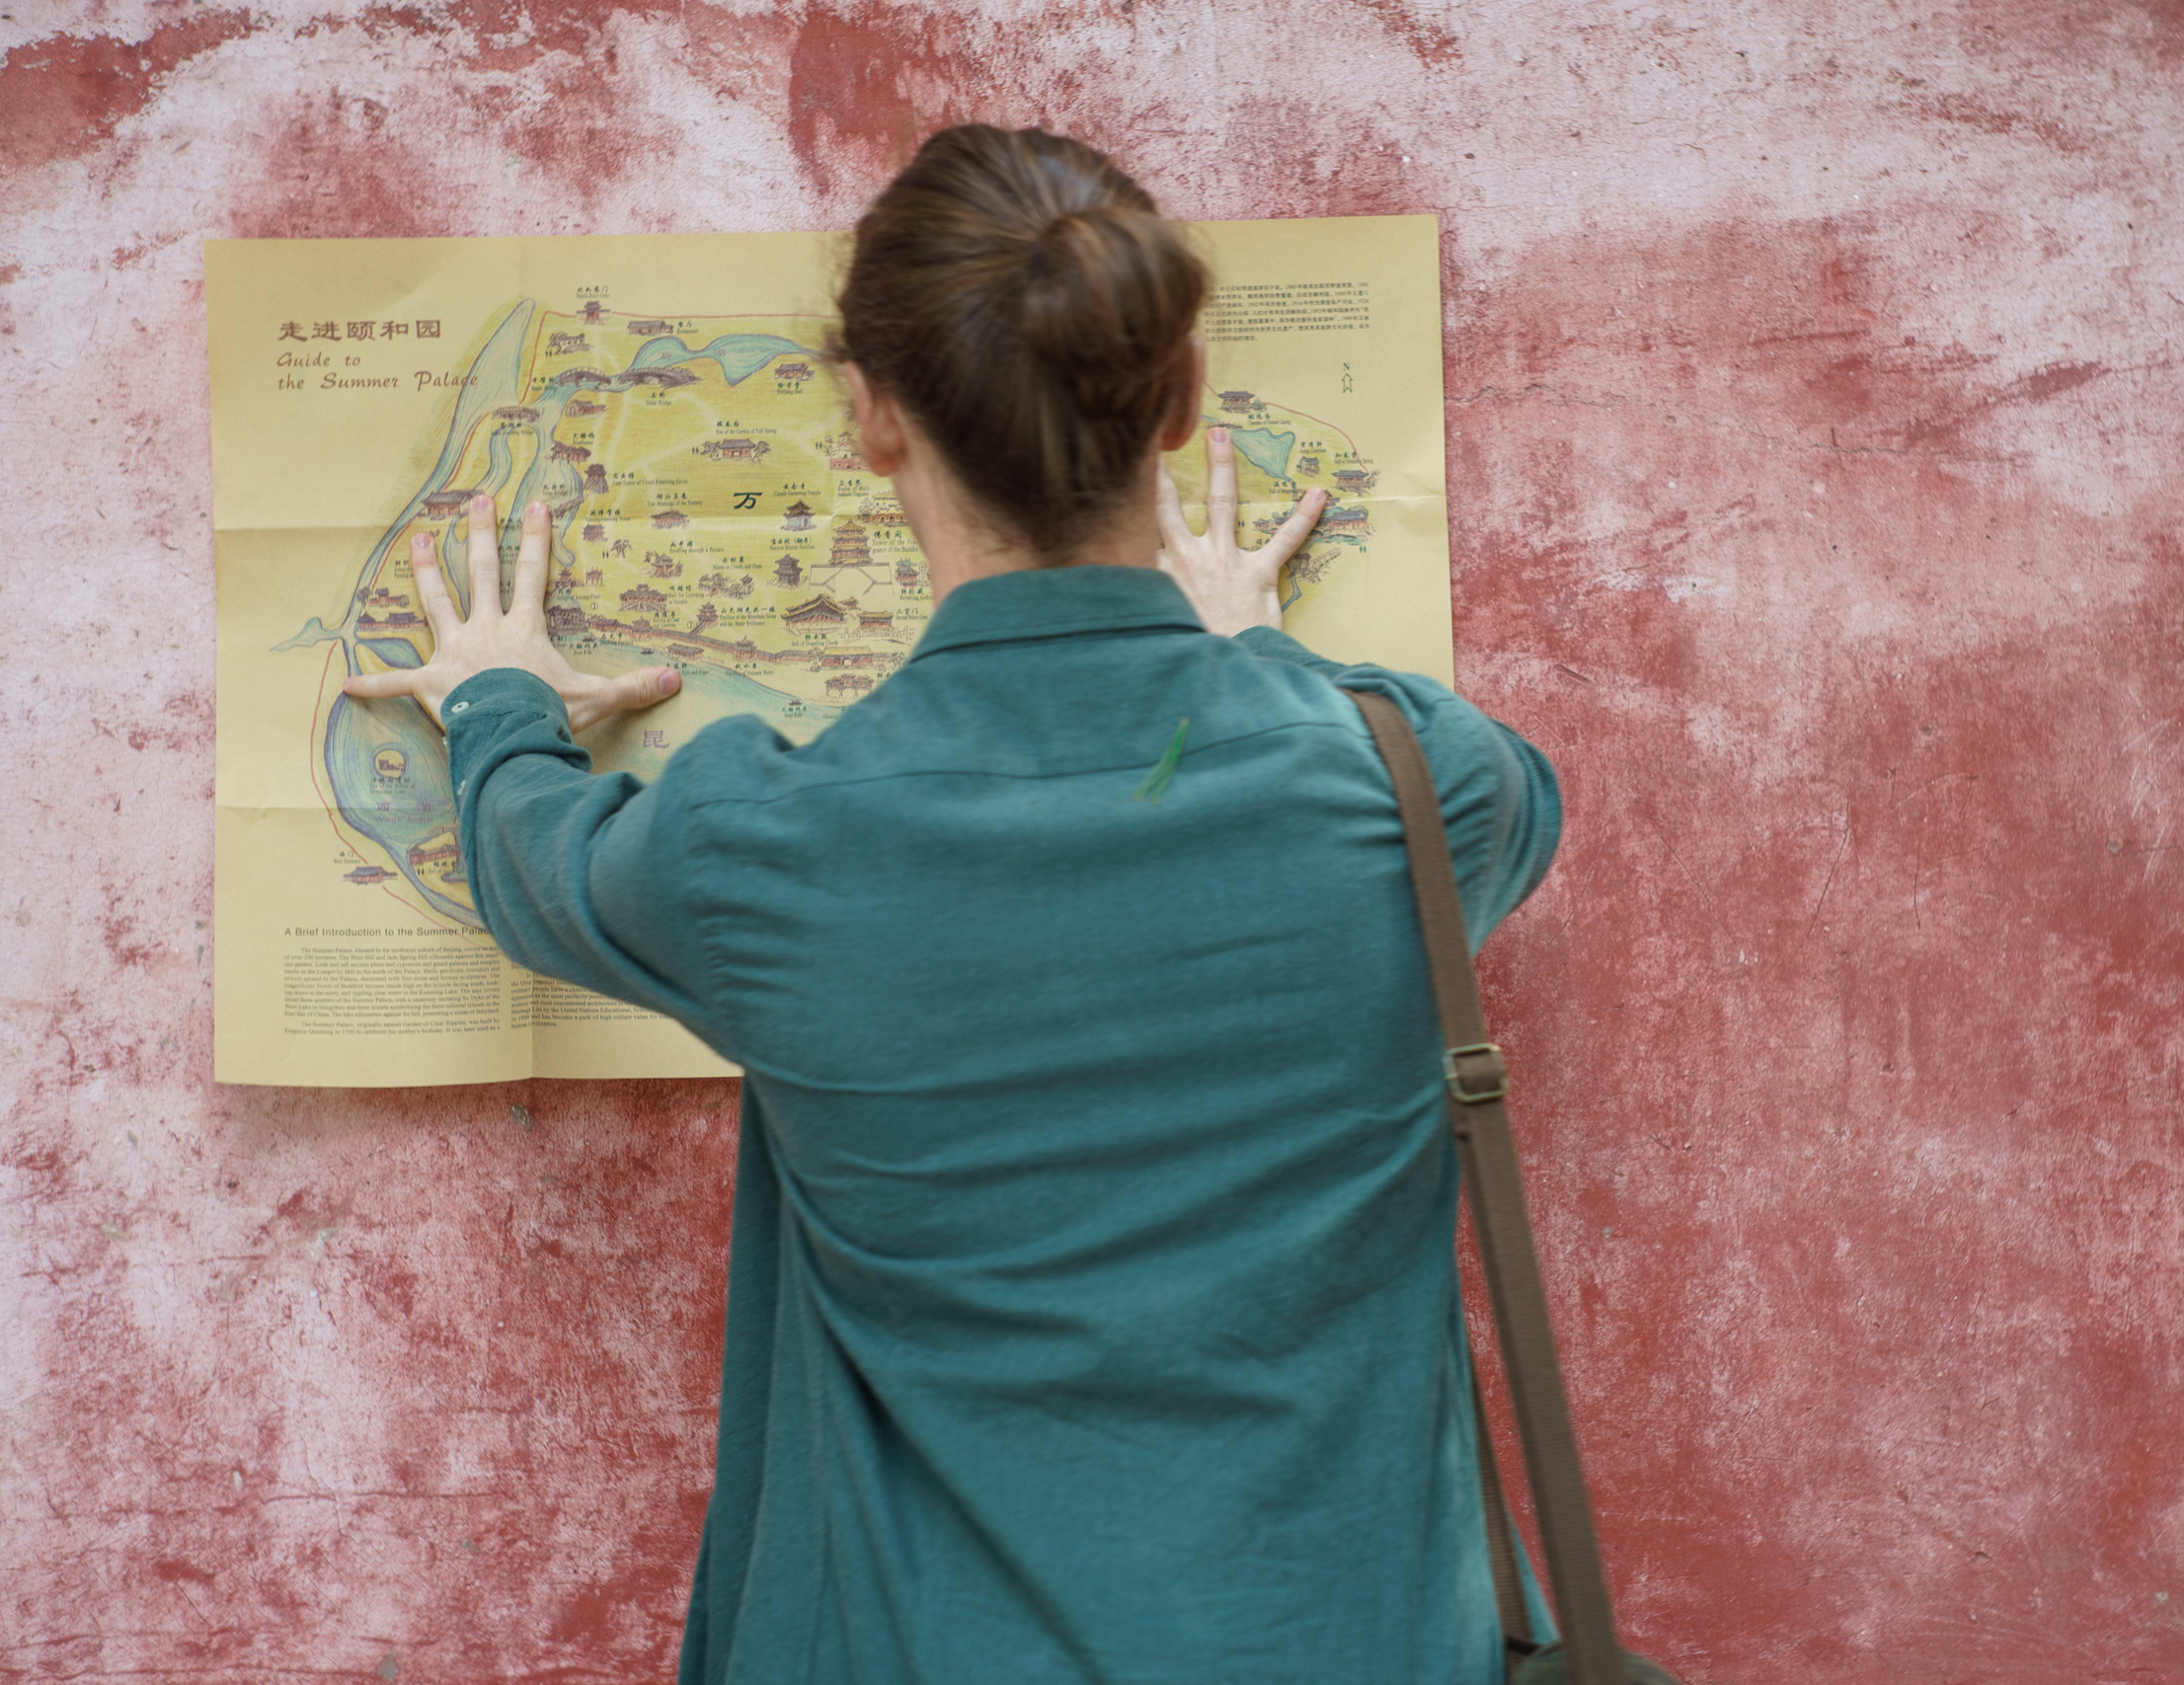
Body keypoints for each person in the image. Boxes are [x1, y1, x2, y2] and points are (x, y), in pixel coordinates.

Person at [345, 124, 1561, 1683]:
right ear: (1182, 401)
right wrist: (1248, 650)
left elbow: (534, 864)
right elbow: (1518, 796)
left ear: (868, 416)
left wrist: (498, 697)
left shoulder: (753, 846)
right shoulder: (1418, 787)